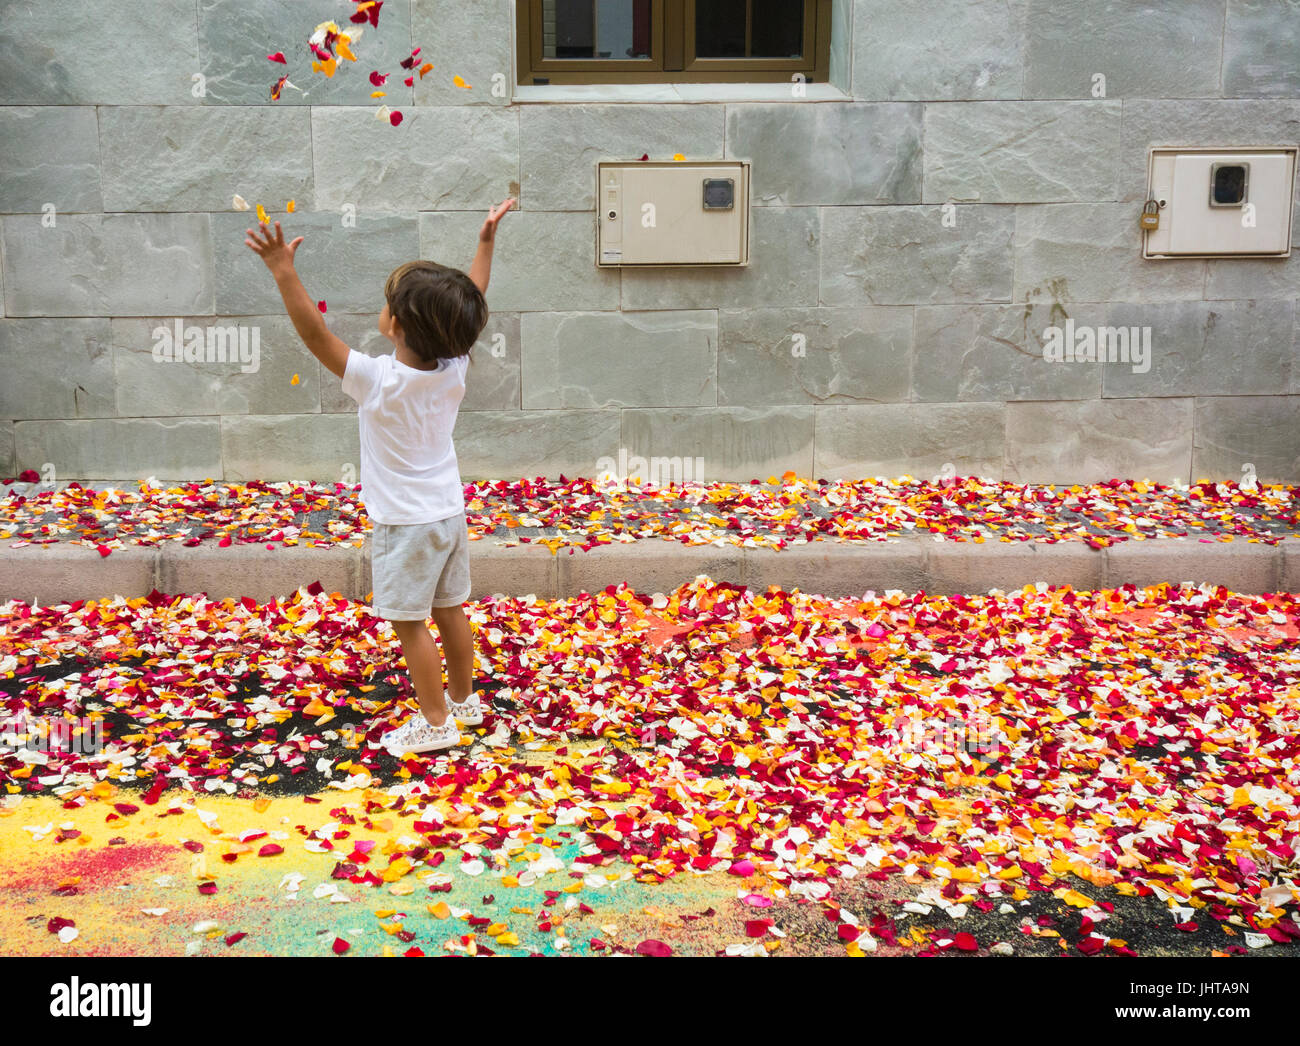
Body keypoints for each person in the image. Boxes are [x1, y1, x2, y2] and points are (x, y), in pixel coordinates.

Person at [244, 198, 515, 754]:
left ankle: (436, 722)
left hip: (404, 525)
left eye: (389, 303)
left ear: (399, 327)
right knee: (449, 610)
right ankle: (464, 702)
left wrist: (283, 272)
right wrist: (485, 242)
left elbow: (316, 336)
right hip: (447, 515)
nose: (383, 307)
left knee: (409, 623)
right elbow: (473, 300)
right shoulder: (454, 366)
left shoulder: (379, 380)